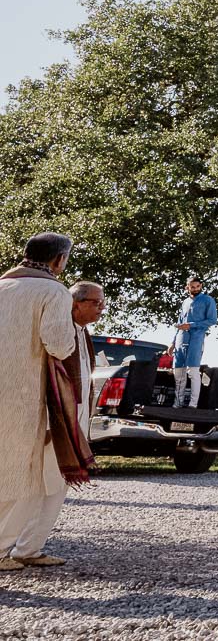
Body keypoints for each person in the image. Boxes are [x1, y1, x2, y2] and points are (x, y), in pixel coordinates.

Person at [1, 234, 81, 572]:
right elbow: (60, 344)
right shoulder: (53, 292)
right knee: (18, 473)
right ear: (59, 260)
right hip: (20, 395)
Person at [172, 276, 218, 408]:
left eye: (198, 286)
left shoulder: (208, 300)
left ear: (201, 286)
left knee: (193, 371)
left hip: (196, 339)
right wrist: (173, 343)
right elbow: (180, 323)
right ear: (187, 287)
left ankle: (193, 404)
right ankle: (177, 403)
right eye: (193, 287)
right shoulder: (185, 302)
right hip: (181, 339)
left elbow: (212, 320)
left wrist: (191, 325)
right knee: (178, 372)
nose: (196, 289)